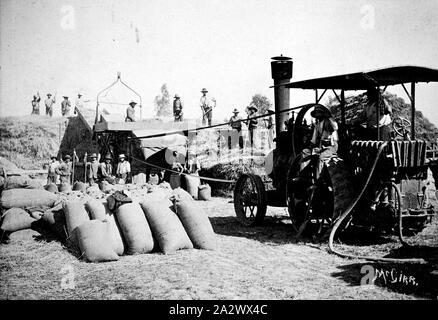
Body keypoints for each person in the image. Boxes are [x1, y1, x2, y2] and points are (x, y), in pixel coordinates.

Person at [300, 105, 339, 178]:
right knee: (305, 152)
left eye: (318, 113)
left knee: (321, 157)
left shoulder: (329, 121)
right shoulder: (317, 125)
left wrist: (329, 117)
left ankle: (318, 181)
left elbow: (335, 127)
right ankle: (303, 176)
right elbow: (313, 140)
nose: (317, 115)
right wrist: (310, 147)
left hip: (331, 147)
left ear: (322, 113)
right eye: (316, 113)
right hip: (321, 147)